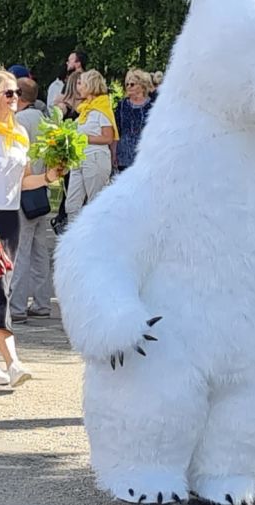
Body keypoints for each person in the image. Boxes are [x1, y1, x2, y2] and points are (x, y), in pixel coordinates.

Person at [0, 69, 60, 386]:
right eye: (8, 93)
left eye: (17, 93)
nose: (15, 98)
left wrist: (49, 177)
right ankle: (12, 361)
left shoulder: (19, 132)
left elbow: (23, 181)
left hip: (9, 217)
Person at [12, 66, 57, 320]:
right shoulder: (44, 120)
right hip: (42, 188)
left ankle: (17, 306)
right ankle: (42, 302)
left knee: (21, 250)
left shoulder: (19, 122)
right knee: (40, 251)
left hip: (25, 189)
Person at [66, 69, 117, 217]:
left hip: (95, 157)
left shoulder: (101, 109)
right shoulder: (85, 109)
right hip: (79, 158)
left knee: (95, 203)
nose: (78, 87)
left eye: (81, 83)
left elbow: (108, 138)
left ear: (90, 85)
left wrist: (84, 138)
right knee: (72, 204)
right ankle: (73, 230)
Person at [113, 69, 153, 174]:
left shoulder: (152, 106)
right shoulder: (122, 105)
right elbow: (116, 131)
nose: (128, 87)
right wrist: (113, 154)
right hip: (124, 156)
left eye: (132, 84)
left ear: (142, 86)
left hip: (145, 155)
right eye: (127, 84)